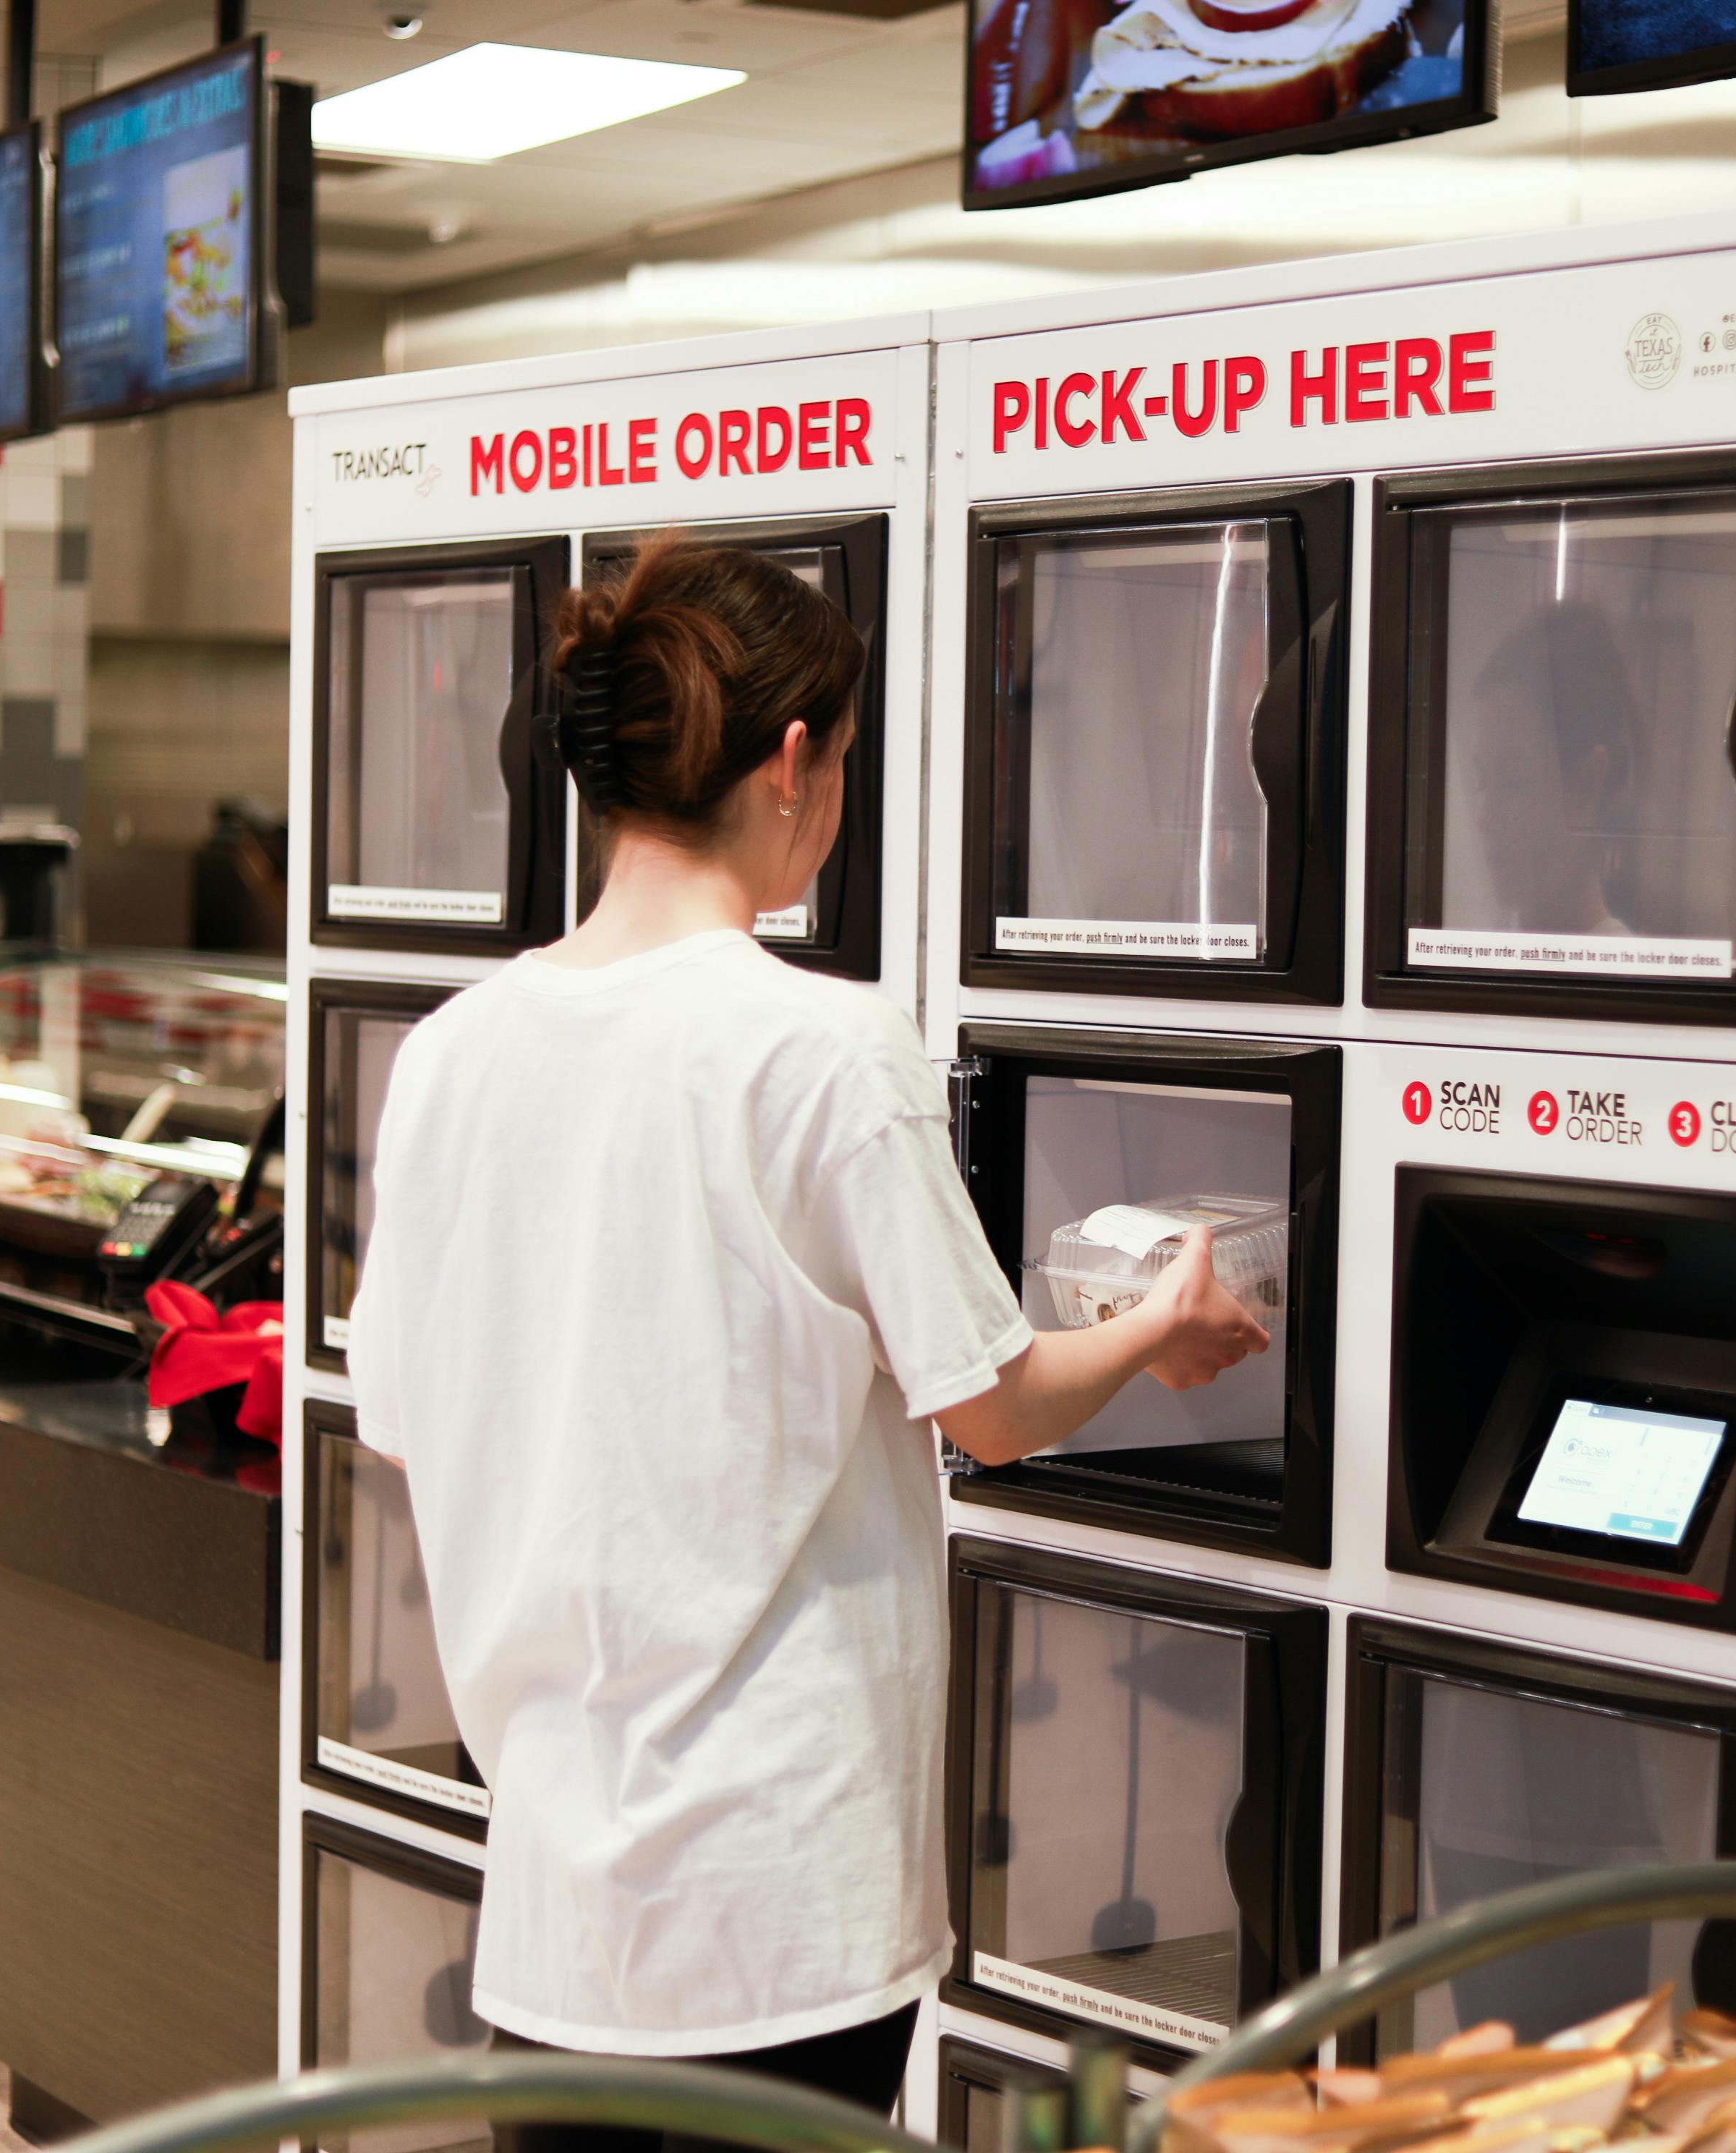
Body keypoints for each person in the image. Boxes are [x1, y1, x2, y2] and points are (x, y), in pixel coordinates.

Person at [344, 533, 1269, 2146]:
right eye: (838, 759)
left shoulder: (451, 1054)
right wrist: (1157, 1329)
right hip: (778, 1901)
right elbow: (987, 1406)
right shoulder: (823, 1050)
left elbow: (421, 1422)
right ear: (793, 766)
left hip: (560, 1893)